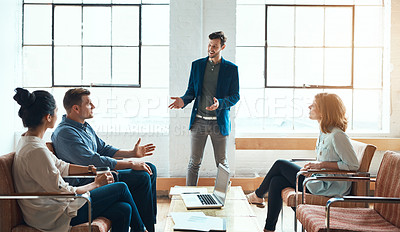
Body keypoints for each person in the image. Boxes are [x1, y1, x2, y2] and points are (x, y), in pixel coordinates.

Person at [12, 88, 147, 232]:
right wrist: (96, 184)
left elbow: (61, 166)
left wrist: (90, 169)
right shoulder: (36, 150)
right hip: (53, 216)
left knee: (123, 209)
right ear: (48, 117)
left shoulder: (30, 142)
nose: (59, 115)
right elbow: (63, 191)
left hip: (56, 207)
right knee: (121, 188)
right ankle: (142, 230)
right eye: (56, 111)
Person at [246, 93, 360, 232]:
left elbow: (353, 165)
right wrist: (314, 168)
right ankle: (268, 229)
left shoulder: (337, 135)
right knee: (276, 181)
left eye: (314, 105)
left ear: (324, 111)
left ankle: (258, 195)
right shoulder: (324, 132)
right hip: (319, 180)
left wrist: (321, 166)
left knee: (280, 164)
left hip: (330, 187)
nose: (309, 106)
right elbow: (328, 160)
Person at [51, 88, 157, 232]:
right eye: (88, 103)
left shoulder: (84, 127)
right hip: (88, 179)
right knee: (142, 177)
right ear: (76, 108)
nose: (93, 106)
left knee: (150, 168)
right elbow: (94, 161)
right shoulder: (65, 133)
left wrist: (132, 153)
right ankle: (144, 228)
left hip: (98, 172)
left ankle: (149, 224)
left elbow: (104, 149)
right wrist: (131, 163)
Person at [169, 31, 240, 186]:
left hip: (219, 123)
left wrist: (220, 103)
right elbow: (191, 92)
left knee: (222, 163)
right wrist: (183, 100)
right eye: (209, 45)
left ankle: (223, 197)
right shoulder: (197, 65)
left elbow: (236, 96)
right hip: (199, 122)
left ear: (223, 47)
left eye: (215, 46)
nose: (211, 48)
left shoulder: (231, 69)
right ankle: (189, 195)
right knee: (194, 162)